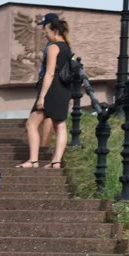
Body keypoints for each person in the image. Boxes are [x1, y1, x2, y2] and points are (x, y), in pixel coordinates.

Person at [18, 13, 73, 169]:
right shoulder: (67, 48)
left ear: (54, 31)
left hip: (51, 89)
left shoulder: (53, 48)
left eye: (46, 32)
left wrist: (42, 97)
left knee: (31, 124)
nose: (45, 35)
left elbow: (49, 73)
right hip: (64, 89)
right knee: (60, 125)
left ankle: (33, 160)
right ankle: (56, 161)